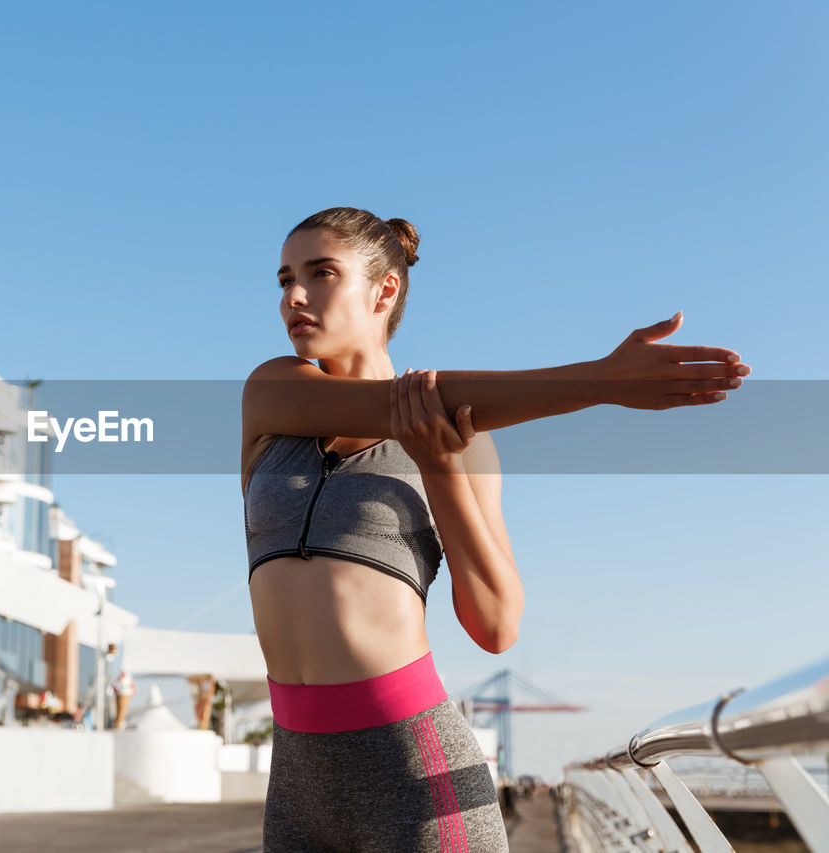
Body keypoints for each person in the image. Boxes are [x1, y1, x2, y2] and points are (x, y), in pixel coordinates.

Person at [242, 207, 748, 852]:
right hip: (298, 783)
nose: (293, 296)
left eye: (321, 274)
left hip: (415, 767)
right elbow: (409, 402)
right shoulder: (272, 393)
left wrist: (441, 469)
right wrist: (599, 381)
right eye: (284, 278)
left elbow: (495, 624)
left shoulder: (469, 445)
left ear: (384, 290)